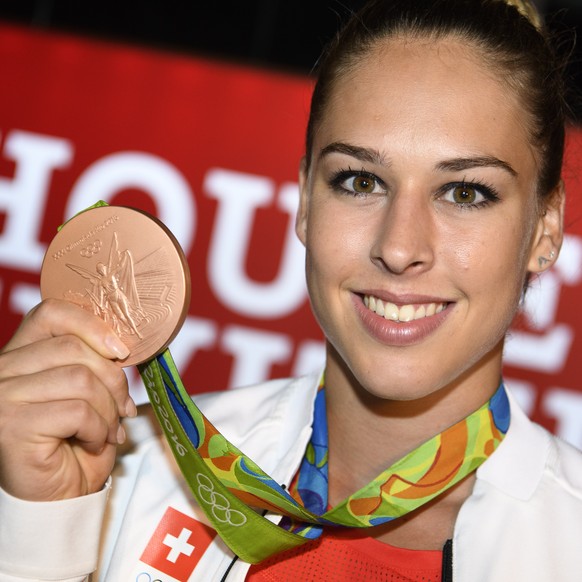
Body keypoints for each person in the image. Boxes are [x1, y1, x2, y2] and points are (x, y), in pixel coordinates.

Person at [1, 0, 581, 580]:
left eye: (464, 193)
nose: (400, 248)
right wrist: (34, 536)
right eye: (361, 181)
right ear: (305, 199)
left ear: (545, 229)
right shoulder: (124, 472)